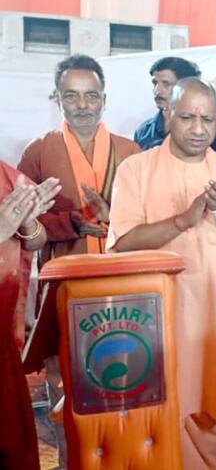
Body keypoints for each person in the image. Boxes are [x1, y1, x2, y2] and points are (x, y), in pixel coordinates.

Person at [108, 77, 216, 469]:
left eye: (207, 119)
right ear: (167, 116)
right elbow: (123, 241)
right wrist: (182, 220)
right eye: (187, 117)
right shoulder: (136, 170)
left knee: (208, 414)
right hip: (153, 319)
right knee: (157, 412)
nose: (198, 129)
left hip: (214, 319)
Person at [18, 54, 140, 468]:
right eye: (72, 96)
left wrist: (114, 217)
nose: (83, 105)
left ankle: (122, 459)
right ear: (58, 99)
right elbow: (23, 224)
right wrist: (68, 223)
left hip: (123, 290)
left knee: (125, 380)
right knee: (65, 387)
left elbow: (148, 219)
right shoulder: (38, 151)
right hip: (64, 289)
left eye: (91, 96)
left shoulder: (129, 150)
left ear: (104, 98)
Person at [0, 162, 60, 470]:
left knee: (13, 434)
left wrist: (26, 222)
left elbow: (36, 239)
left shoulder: (5, 175)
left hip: (3, 327)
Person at [133, 56, 216, 156]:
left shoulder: (207, 133)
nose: (157, 91)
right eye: (155, 83)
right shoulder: (143, 131)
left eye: (166, 84)